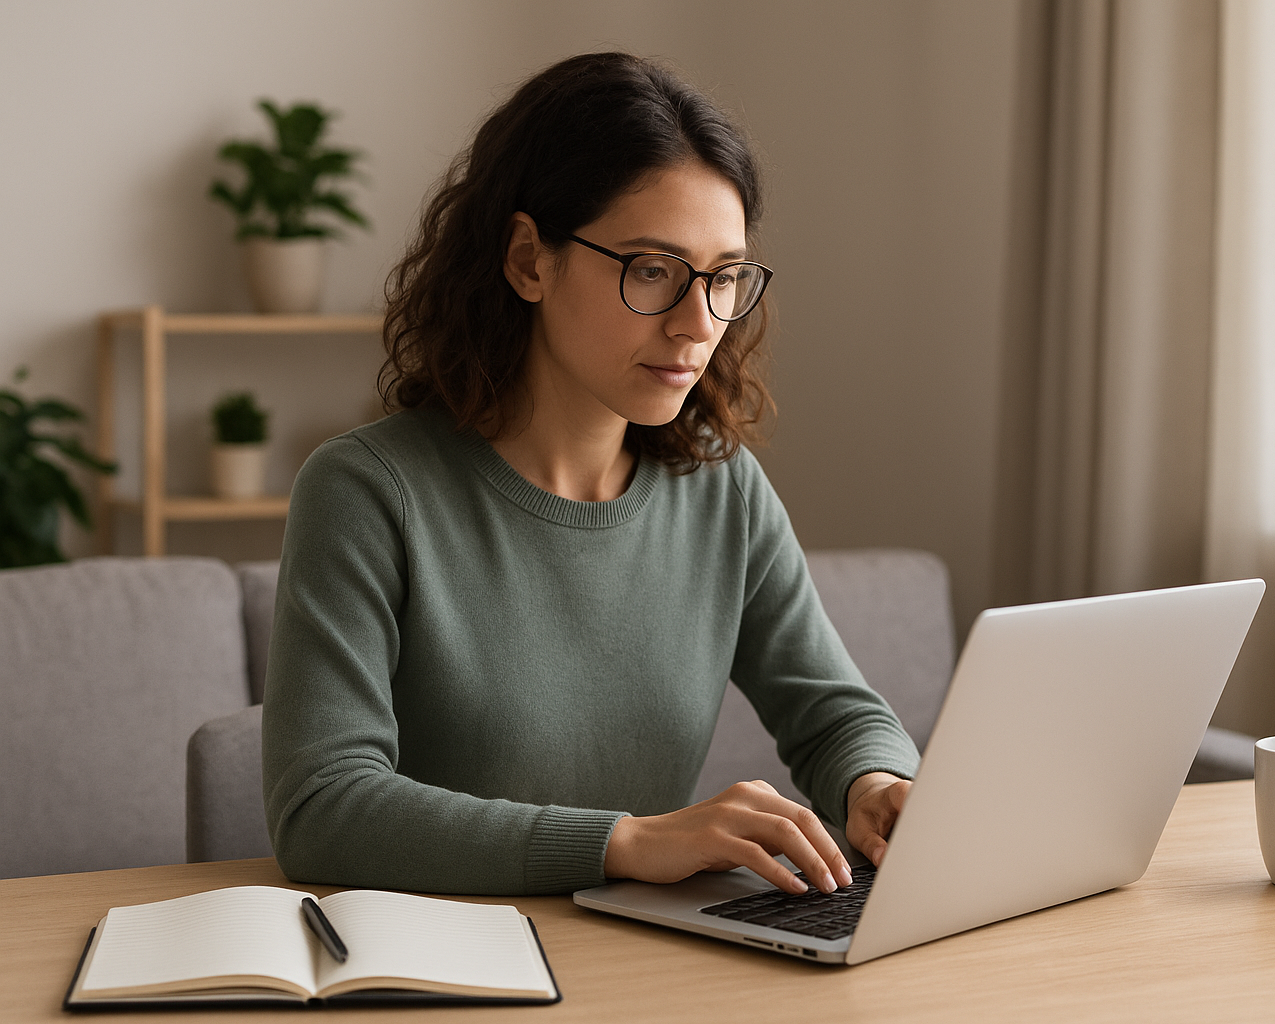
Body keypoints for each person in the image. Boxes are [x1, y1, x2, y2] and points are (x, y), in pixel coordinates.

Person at [261, 52, 920, 898]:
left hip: (639, 951)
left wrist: (875, 784)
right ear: (528, 259)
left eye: (723, 278)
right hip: (445, 952)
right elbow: (322, 809)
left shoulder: (721, 488)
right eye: (652, 270)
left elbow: (834, 713)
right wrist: (624, 842)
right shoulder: (367, 492)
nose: (697, 323)